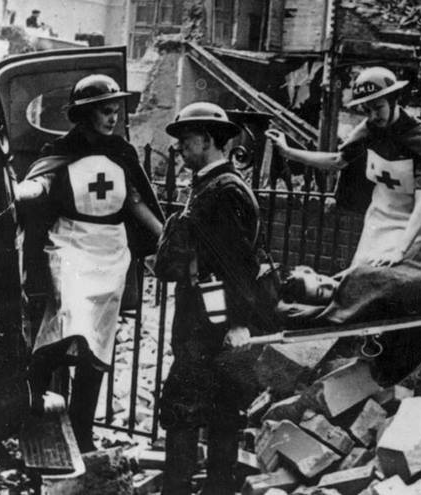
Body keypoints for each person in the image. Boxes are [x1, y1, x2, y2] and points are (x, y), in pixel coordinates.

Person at [14, 74, 164, 452]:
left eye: (115, 110)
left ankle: (82, 433)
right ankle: (33, 404)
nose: (113, 118)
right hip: (68, 246)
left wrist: (167, 238)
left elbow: (135, 202)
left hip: (110, 253)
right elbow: (40, 185)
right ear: (84, 114)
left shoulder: (123, 153)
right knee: (66, 320)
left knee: (97, 344)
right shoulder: (60, 149)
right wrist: (25, 191)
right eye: (104, 111)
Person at [156, 102, 275, 494]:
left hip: (213, 324)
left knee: (187, 407)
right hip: (205, 318)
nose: (181, 149)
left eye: (186, 141)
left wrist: (238, 322)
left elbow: (239, 265)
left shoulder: (224, 191)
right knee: (217, 407)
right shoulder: (210, 185)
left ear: (207, 139)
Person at [265, 66, 421, 268]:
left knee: (389, 275)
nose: (372, 116)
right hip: (379, 218)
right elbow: (338, 161)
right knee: (358, 274)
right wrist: (288, 152)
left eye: (378, 108)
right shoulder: (369, 129)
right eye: (367, 110)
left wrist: (400, 251)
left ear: (394, 101)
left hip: (412, 225)